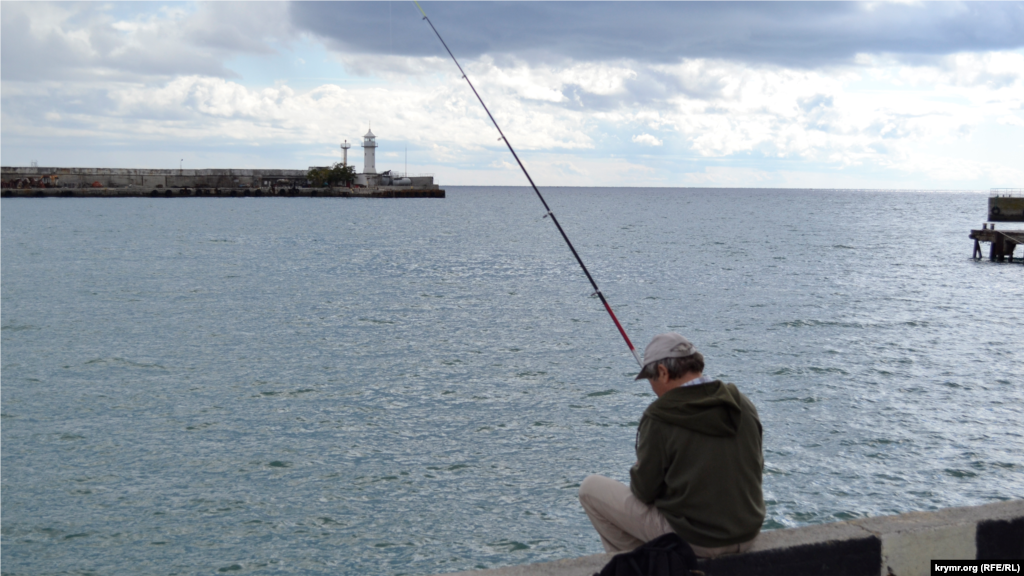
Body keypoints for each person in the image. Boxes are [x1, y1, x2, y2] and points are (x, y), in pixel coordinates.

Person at [578, 332, 765, 559]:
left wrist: (642, 466)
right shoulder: (742, 403)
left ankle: (640, 567)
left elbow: (644, 491)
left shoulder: (660, 417)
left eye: (651, 379)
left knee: (590, 489)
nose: (652, 388)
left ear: (663, 373)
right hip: (747, 534)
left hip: (697, 541)